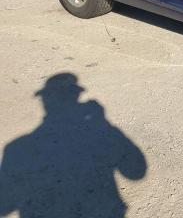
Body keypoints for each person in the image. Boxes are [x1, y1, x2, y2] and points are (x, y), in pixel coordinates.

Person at [0, 73, 147, 217]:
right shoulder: (16, 148)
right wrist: (105, 124)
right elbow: (136, 172)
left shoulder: (16, 148)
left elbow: (5, 206)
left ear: (45, 100)